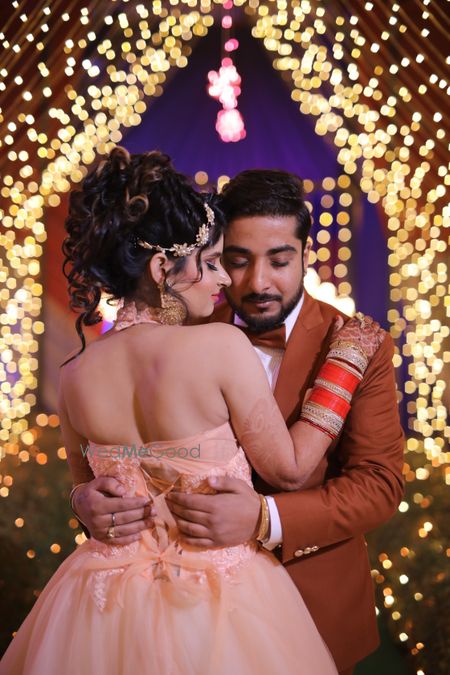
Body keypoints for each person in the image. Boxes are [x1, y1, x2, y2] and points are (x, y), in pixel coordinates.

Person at [0, 149, 385, 675]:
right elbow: (290, 469)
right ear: (163, 268)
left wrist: (82, 496)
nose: (229, 280)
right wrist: (344, 366)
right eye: (219, 261)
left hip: (104, 611)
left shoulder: (74, 373)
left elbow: (88, 483)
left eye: (277, 260)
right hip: (229, 602)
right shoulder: (220, 343)